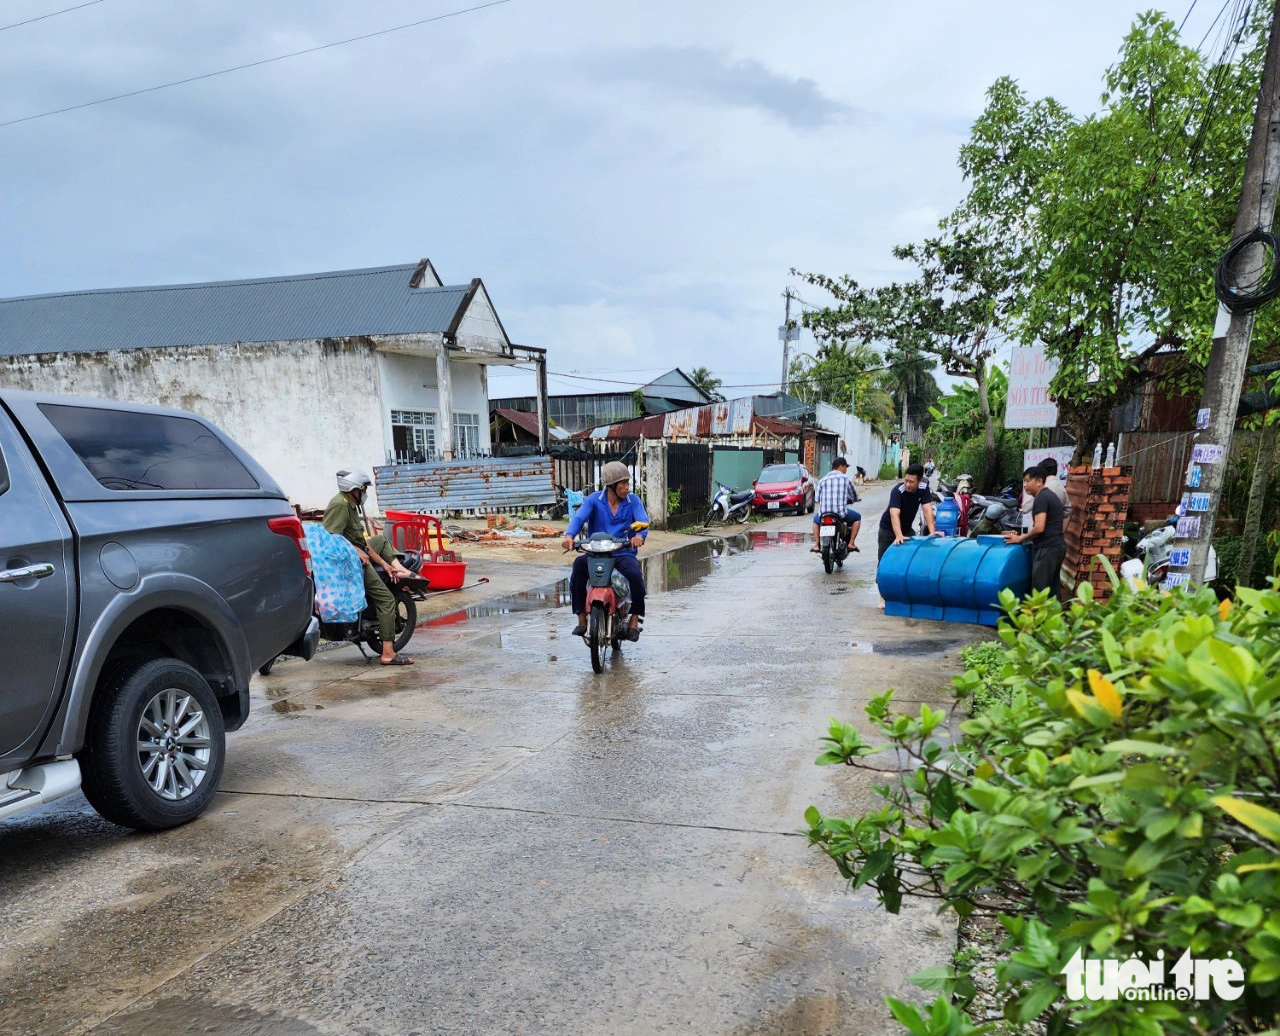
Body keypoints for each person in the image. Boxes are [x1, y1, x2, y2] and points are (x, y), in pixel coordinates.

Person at [324, 469, 416, 666]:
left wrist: (384, 563)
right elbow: (331, 538)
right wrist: (357, 552)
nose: (365, 494)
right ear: (355, 490)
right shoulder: (340, 505)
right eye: (363, 490)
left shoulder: (349, 504)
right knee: (387, 600)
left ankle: (399, 568)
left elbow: (363, 543)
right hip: (349, 563)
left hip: (359, 554)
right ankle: (388, 654)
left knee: (380, 540)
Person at [562, 461, 649, 641]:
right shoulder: (594, 500)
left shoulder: (634, 501)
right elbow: (579, 518)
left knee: (635, 575)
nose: (627, 487)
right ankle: (581, 619)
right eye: (622, 483)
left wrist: (639, 537)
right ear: (611, 486)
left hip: (622, 553)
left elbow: (643, 522)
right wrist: (569, 536)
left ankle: (634, 619)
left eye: (627, 483)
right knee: (578, 567)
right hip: (596, 553)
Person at [1004, 465, 1066, 597]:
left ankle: (1039, 617)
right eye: (1024, 481)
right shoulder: (1049, 495)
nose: (1025, 485)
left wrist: (1021, 538)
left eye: (1028, 481)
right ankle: (1054, 617)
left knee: (1040, 589)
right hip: (1057, 547)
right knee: (1053, 590)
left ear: (1039, 481)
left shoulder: (1041, 498)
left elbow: (1039, 527)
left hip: (1047, 548)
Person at [877, 463, 939, 562]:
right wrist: (898, 535)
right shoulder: (898, 491)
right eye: (906, 480)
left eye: (911, 482)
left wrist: (932, 532)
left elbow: (927, 509)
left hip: (906, 530)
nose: (907, 484)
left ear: (919, 481)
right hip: (888, 530)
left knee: (910, 559)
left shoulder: (924, 488)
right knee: (884, 562)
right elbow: (894, 514)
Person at [810, 456, 861, 554]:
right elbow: (854, 495)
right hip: (840, 514)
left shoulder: (822, 480)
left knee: (815, 521)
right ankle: (851, 543)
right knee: (857, 518)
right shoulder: (846, 479)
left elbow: (817, 499)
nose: (846, 470)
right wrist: (854, 499)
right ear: (841, 466)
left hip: (823, 514)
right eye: (846, 467)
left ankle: (817, 545)